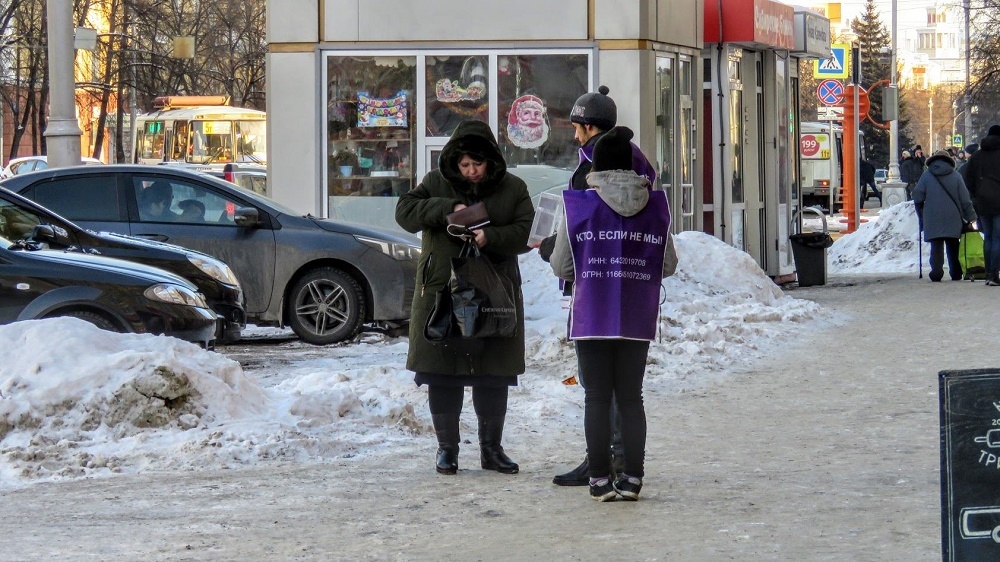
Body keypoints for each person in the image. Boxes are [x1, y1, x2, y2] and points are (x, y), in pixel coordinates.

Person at [395, 120, 534, 476]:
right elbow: (405, 213)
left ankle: (492, 449)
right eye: (464, 166)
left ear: (491, 160)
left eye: (478, 164)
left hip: (494, 292)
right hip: (442, 291)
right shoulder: (433, 183)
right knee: (443, 372)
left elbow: (527, 232)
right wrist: (447, 209)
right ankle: (447, 449)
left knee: (493, 372)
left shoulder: (513, 187)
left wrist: (492, 237)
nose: (471, 172)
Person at [539, 85, 657, 487]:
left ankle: (606, 462)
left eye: (578, 128)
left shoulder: (600, 164)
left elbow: (592, 226)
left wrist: (559, 248)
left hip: (595, 282)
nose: (574, 135)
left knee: (600, 387)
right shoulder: (634, 162)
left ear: (591, 128)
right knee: (624, 390)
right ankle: (617, 461)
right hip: (630, 287)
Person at [913, 150, 977, 282]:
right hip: (953, 216)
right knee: (953, 244)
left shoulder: (926, 176)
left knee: (936, 245)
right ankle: (956, 272)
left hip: (932, 216)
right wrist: (971, 216)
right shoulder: (956, 176)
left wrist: (921, 210)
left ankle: (936, 272)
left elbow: (918, 195)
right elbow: (965, 199)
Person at [960, 126, 1000, 284]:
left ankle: (989, 274)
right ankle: (995, 274)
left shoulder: (977, 156)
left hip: (983, 202)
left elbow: (968, 179)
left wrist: (977, 195)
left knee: (988, 237)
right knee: (998, 238)